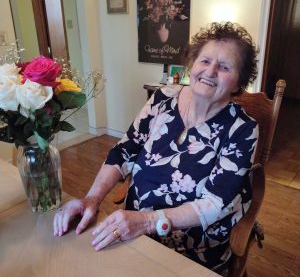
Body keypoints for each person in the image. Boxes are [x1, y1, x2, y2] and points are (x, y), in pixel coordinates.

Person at [53, 22, 259, 274]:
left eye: (224, 67)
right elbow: (124, 150)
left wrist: (149, 222)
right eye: (204, 61)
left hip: (194, 246)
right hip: (132, 228)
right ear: (192, 65)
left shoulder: (243, 129)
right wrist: (92, 199)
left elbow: (216, 203)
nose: (210, 71)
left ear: (239, 82)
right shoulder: (163, 99)